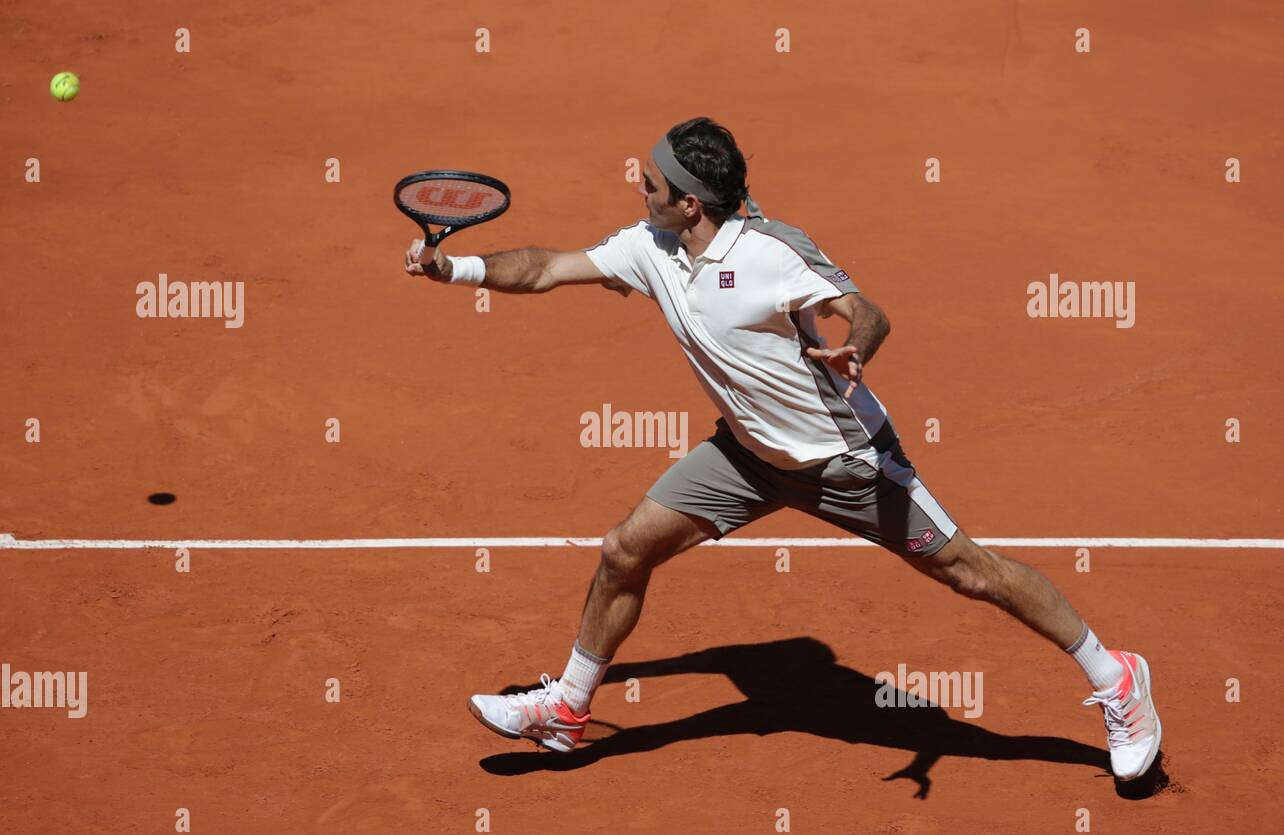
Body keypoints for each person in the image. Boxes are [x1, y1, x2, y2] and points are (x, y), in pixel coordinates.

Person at [403, 117, 1162, 782]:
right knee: (624, 549)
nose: (640, 190)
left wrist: (852, 352)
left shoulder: (772, 254)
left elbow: (867, 311)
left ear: (689, 202)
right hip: (745, 458)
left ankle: (1116, 675)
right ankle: (567, 711)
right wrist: (453, 269)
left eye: (650, 183)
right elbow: (542, 267)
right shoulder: (649, 249)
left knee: (971, 572)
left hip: (843, 459)